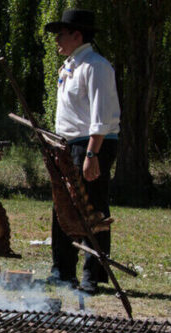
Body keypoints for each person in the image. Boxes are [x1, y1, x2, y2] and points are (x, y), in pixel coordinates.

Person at [45, 9, 121, 293]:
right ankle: (62, 271)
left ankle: (93, 273)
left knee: (92, 209)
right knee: (63, 207)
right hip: (67, 145)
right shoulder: (69, 65)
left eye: (61, 35)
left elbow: (101, 115)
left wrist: (92, 154)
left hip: (92, 143)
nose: (57, 41)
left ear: (77, 35)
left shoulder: (96, 66)